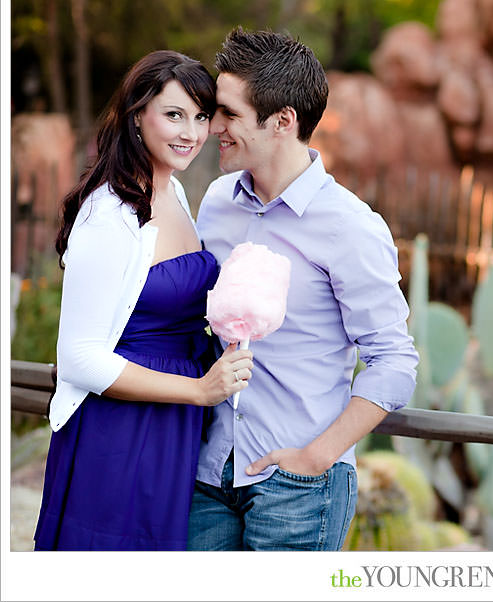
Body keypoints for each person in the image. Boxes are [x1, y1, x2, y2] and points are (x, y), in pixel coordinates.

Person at [188, 28, 418, 551]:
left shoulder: (350, 226)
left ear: (282, 121)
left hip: (296, 486)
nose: (213, 127)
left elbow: (394, 361)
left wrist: (316, 458)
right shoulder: (218, 202)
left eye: (228, 113)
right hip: (208, 474)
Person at [34, 50, 254, 551]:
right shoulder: (109, 213)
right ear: (137, 114)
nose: (191, 133)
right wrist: (199, 391)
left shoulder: (173, 191)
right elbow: (79, 357)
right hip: (120, 430)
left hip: (171, 425)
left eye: (201, 117)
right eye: (174, 114)